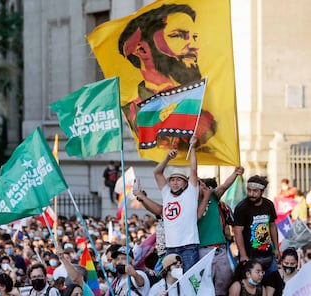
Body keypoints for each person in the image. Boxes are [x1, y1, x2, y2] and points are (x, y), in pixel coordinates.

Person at [117, 4, 215, 148]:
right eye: (178, 36)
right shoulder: (135, 112)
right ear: (142, 50)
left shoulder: (199, 97)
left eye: (194, 36)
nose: (193, 45)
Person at [153, 135, 199, 272]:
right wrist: (167, 158)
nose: (174, 182)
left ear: (186, 183)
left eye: (179, 180)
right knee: (172, 283)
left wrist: (193, 149)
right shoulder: (166, 193)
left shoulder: (191, 193)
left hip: (189, 247)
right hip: (170, 247)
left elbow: (193, 170)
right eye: (172, 180)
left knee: (189, 284)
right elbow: (157, 173)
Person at [197, 167, 245, 296]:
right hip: (203, 251)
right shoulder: (191, 203)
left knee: (224, 283)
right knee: (205, 287)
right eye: (200, 185)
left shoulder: (214, 197)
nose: (204, 187)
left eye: (203, 184)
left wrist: (235, 173)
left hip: (221, 249)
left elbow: (224, 186)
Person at [233, 175, 280, 278]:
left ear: (262, 191)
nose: (251, 194)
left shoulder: (269, 205)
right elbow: (237, 232)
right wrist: (243, 255)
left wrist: (276, 248)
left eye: (255, 191)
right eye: (249, 190)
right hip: (250, 257)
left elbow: (272, 226)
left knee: (274, 284)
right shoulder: (242, 207)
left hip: (268, 255)